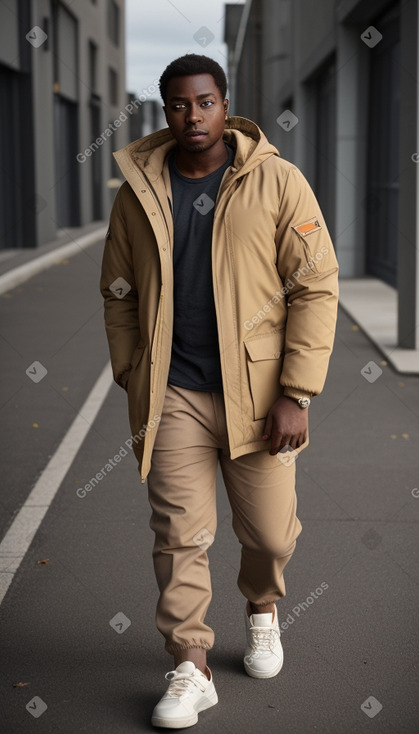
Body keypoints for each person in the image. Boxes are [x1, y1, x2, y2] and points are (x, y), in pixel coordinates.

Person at [100, 53, 339, 729]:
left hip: (260, 396)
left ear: (224, 104)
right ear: (164, 110)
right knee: (179, 532)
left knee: (267, 533)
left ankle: (262, 608)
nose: (191, 116)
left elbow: (315, 285)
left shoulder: (276, 181)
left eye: (203, 102)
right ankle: (191, 663)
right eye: (177, 105)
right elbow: (117, 290)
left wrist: (296, 391)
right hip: (172, 390)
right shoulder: (138, 191)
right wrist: (131, 367)